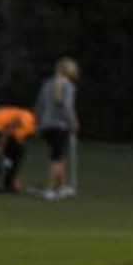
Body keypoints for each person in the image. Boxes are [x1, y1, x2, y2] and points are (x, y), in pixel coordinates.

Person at [35, 58, 80, 199]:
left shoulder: (47, 84)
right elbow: (67, 107)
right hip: (60, 125)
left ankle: (63, 186)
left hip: (46, 125)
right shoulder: (68, 86)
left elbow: (39, 106)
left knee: (59, 156)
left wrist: (37, 123)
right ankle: (50, 189)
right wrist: (73, 122)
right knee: (56, 157)